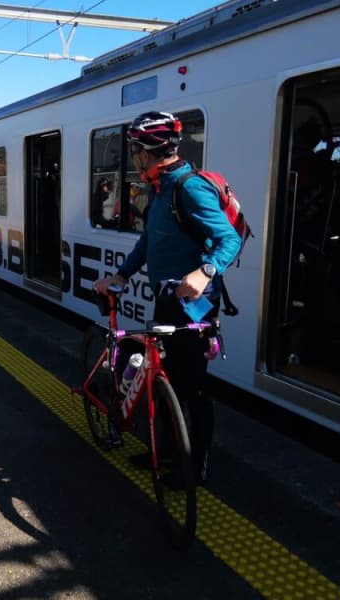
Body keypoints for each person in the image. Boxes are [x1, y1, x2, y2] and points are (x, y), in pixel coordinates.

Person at [93, 111, 241, 482]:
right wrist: (123, 274)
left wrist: (205, 271)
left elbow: (230, 239)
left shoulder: (188, 188)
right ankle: (167, 452)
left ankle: (196, 466)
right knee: (165, 379)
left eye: (134, 150)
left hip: (195, 306)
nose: (133, 157)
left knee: (192, 388)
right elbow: (149, 241)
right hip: (167, 300)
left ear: (146, 152)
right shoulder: (160, 189)